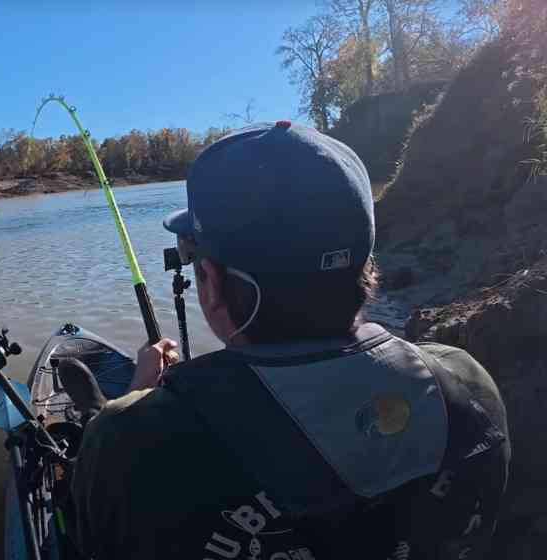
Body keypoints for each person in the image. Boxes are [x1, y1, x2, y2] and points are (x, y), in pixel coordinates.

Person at [68, 122, 511, 560]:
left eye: (196, 261)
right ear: (368, 268)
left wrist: (138, 402)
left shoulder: (127, 442)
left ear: (212, 284)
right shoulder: (469, 383)